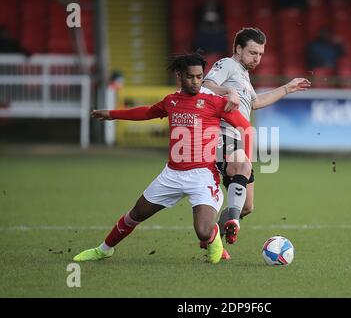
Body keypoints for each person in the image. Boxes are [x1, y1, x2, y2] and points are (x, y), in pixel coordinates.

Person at [73, 52, 252, 264]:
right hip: (172, 174)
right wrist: (112, 114)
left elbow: (245, 127)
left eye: (199, 76)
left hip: (203, 176)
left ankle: (213, 239)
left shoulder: (215, 102)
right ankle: (104, 249)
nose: (195, 82)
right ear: (179, 76)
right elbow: (147, 112)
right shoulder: (171, 101)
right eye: (190, 77)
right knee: (135, 214)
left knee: (203, 232)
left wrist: (245, 160)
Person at [202, 27, 311, 253]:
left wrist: (286, 88)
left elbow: (254, 102)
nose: (257, 58)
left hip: (239, 139)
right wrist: (227, 92)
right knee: (242, 166)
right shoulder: (227, 65)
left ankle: (213, 236)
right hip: (221, 134)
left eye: (261, 54)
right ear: (238, 48)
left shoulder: (243, 73)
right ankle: (233, 222)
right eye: (253, 53)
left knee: (247, 206)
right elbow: (206, 85)